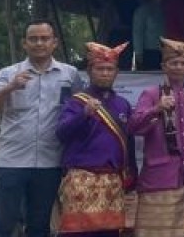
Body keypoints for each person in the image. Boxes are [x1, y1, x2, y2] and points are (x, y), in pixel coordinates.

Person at [0, 20, 83, 237]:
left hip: (49, 162)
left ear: (54, 43)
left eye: (45, 38)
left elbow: (79, 110)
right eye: (33, 39)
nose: (39, 43)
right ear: (24, 44)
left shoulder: (70, 75)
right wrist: (10, 87)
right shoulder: (8, 73)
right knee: (3, 224)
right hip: (10, 161)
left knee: (39, 226)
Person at [128, 36, 184, 237]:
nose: (178, 67)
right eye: (173, 63)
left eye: (182, 63)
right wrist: (156, 109)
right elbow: (133, 127)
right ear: (164, 66)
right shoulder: (151, 94)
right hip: (157, 177)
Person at [55, 41, 134, 237]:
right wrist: (84, 114)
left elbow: (129, 142)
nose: (105, 73)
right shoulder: (76, 101)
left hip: (112, 181)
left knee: (110, 233)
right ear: (89, 71)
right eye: (100, 69)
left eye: (110, 69)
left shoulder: (123, 104)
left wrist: (132, 175)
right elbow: (61, 134)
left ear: (116, 72)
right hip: (81, 180)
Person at [133, 0, 166, 70]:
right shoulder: (143, 10)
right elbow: (138, 32)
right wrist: (139, 53)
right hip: (148, 52)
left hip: (165, 53)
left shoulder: (167, 9)